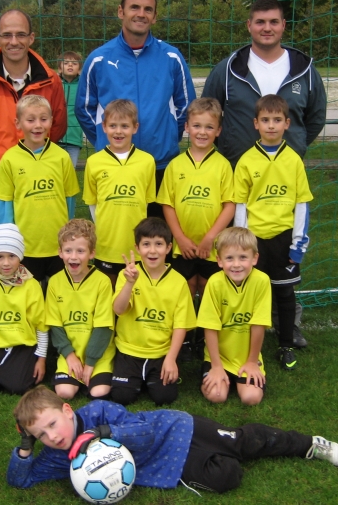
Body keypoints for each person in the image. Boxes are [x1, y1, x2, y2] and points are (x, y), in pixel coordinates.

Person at [202, 0, 326, 348]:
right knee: (239, 254)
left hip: (282, 180)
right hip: (238, 179)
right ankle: (236, 322)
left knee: (284, 253)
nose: (266, 28)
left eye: (273, 21)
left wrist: (293, 150)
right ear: (249, 26)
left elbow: (315, 117)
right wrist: (232, 152)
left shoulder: (304, 68)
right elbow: (210, 110)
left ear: (283, 25)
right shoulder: (229, 68)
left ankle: (288, 323)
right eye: (260, 22)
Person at [7, 385, 338, 494]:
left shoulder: (99, 411)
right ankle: (223, 456)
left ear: (67, 410)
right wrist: (25, 449)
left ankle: (308, 444)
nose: (52, 436)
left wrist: (103, 434)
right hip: (171, 464)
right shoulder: (55, 456)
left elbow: (144, 434)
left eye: (52, 424)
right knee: (227, 476)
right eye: (41, 435)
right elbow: (20, 480)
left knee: (244, 442)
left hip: (176, 428)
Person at [0, 9, 67, 279]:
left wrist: (33, 161)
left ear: (31, 38)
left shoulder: (51, 81)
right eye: (7, 35)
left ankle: (42, 303)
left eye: (20, 34)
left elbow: (57, 126)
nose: (14, 41)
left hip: (37, 178)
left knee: (44, 254)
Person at [74, 0, 196, 216]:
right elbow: (84, 109)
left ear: (155, 16)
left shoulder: (171, 57)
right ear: (121, 11)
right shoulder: (99, 59)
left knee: (158, 236)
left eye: (148, 9)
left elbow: (186, 106)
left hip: (161, 164)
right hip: (115, 165)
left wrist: (169, 135)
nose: (141, 14)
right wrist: (105, 137)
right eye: (134, 7)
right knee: (118, 233)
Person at [233, 95, 313, 371]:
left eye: (277, 120)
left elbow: (302, 203)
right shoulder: (246, 161)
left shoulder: (294, 160)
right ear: (255, 123)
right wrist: (242, 242)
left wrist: (298, 244)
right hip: (255, 241)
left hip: (283, 238)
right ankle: (244, 345)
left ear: (286, 123)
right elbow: (241, 204)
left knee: (284, 292)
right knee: (248, 292)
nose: (271, 125)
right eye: (265, 120)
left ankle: (285, 344)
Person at [156, 97, 234, 359]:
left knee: (209, 289)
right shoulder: (175, 165)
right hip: (184, 245)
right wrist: (179, 237)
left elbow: (229, 205)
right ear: (187, 127)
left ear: (218, 130)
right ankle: (185, 339)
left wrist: (211, 237)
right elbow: (167, 205)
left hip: (212, 246)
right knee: (187, 288)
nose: (202, 132)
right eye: (197, 126)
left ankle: (207, 337)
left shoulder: (223, 165)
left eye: (209, 127)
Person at [0, 95, 80, 283]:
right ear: (18, 123)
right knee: (28, 295)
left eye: (43, 119)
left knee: (59, 294)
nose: (38, 125)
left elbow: (70, 198)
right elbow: (4, 203)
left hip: (58, 245)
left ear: (51, 121)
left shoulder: (62, 157)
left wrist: (69, 235)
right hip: (25, 247)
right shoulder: (9, 159)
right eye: (30, 120)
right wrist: (9, 241)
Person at [110, 217, 196, 406]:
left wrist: (171, 359)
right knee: (122, 396)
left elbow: (181, 325)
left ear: (168, 248)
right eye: (146, 244)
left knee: (165, 397)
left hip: (161, 352)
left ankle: (149, 378)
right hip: (128, 350)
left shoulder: (179, 282)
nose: (152, 250)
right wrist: (129, 284)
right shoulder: (128, 275)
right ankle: (135, 379)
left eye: (158, 244)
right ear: (137, 248)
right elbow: (119, 310)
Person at [82, 99, 155, 284]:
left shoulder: (147, 161)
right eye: (113, 125)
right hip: (106, 243)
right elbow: (92, 203)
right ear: (104, 127)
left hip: (135, 244)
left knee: (134, 292)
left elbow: (146, 203)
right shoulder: (94, 162)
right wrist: (103, 227)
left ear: (135, 128)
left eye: (125, 126)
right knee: (107, 290)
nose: (118, 131)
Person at [0, 223, 48, 395]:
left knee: (18, 387)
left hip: (23, 345)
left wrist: (41, 359)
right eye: (0, 257)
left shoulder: (32, 285)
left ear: (20, 256)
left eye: (12, 256)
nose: (6, 263)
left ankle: (17, 368)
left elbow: (41, 326)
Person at [197, 227, 271, 406]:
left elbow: (259, 324)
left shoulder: (262, 281)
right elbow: (210, 326)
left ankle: (245, 371)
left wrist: (252, 362)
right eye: (229, 258)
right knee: (217, 395)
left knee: (251, 398)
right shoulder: (214, 283)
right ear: (219, 260)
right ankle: (216, 373)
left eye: (243, 257)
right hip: (219, 357)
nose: (236, 264)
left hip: (246, 356)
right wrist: (216, 366)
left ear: (254, 258)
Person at [46, 219, 115, 400]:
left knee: (98, 392)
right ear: (60, 252)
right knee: (64, 392)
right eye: (68, 250)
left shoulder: (102, 282)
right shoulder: (54, 282)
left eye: (80, 251)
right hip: (71, 352)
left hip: (98, 355)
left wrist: (90, 363)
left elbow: (103, 327)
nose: (74, 257)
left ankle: (94, 374)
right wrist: (69, 356)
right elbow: (55, 325)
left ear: (92, 253)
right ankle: (74, 372)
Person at [56, 51, 84, 167]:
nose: (70, 65)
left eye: (74, 63)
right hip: (55, 138)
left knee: (70, 171)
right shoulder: (54, 85)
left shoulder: (83, 86)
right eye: (66, 63)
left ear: (79, 70)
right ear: (59, 69)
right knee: (54, 171)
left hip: (74, 138)